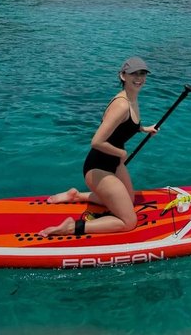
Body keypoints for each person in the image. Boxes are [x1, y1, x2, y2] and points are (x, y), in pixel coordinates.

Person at [38, 57, 158, 237]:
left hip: (114, 164)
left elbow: (123, 126)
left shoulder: (132, 98)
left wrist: (142, 128)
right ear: (123, 75)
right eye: (134, 73)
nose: (139, 78)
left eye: (142, 73)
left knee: (130, 199)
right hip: (98, 168)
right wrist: (121, 152)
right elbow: (96, 141)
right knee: (128, 222)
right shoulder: (122, 105)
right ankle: (72, 227)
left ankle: (76, 195)